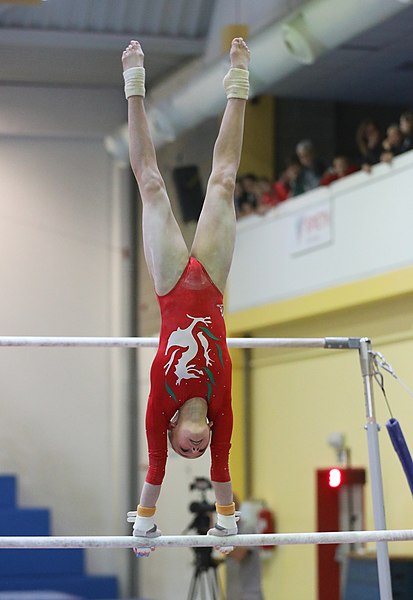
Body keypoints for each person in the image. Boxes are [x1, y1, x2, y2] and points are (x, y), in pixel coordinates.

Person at [121, 37, 250, 556]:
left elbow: (154, 468)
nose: (194, 450)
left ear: (173, 433)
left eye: (184, 450)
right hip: (213, 286)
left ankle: (133, 86)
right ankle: (239, 82)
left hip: (173, 285)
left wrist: (144, 523)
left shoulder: (161, 405)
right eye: (198, 451)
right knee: (222, 182)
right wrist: (227, 524)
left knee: (150, 184)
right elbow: (222, 470)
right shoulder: (220, 410)